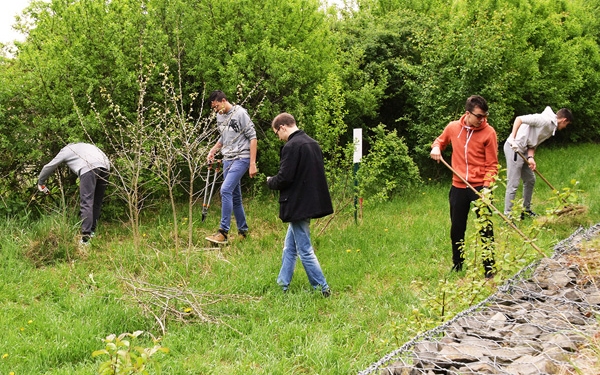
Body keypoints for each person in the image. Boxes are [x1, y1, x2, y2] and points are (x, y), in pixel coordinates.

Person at [430, 95, 498, 277]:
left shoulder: (489, 132)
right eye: (479, 116)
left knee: (486, 229)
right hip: (458, 187)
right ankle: (458, 264)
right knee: (457, 228)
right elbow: (439, 142)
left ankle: (489, 268)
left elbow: (492, 165)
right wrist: (436, 148)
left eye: (484, 116)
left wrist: (487, 189)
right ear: (467, 113)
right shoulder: (453, 128)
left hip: (479, 188)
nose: (482, 120)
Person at [266, 113, 332, 297]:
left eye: (276, 133)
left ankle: (322, 288)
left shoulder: (292, 146)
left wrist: (270, 181)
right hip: (310, 202)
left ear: (282, 127)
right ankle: (282, 285)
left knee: (305, 250)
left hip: (298, 205)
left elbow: (285, 178)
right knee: (290, 247)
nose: (278, 137)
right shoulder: (313, 143)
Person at [205, 90, 258, 244]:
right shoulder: (219, 116)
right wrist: (213, 150)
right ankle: (243, 231)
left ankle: (223, 232)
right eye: (213, 108)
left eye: (216, 106)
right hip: (227, 158)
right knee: (235, 197)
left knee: (225, 190)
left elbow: (253, 137)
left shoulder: (240, 113)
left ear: (223, 100)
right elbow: (224, 136)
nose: (215, 110)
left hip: (242, 157)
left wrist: (252, 164)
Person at [504, 107, 573, 218]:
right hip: (514, 148)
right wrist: (513, 138)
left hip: (525, 150)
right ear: (564, 120)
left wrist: (531, 157)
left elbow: (533, 143)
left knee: (530, 180)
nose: (565, 127)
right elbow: (519, 119)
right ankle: (508, 216)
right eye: (567, 124)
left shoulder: (551, 129)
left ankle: (526, 211)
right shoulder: (543, 119)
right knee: (513, 184)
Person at [37, 142, 110, 245]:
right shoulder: (84, 146)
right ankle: (92, 232)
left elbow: (49, 166)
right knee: (96, 201)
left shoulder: (67, 150)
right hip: (106, 167)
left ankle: (85, 239)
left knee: (87, 201)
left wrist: (41, 182)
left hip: (89, 167)